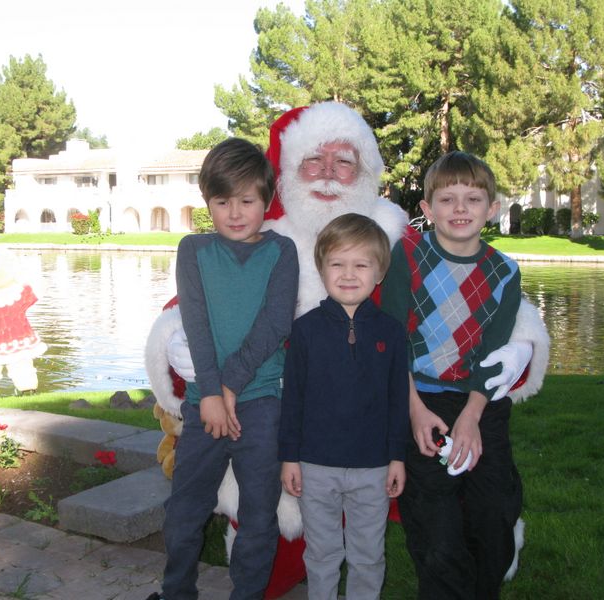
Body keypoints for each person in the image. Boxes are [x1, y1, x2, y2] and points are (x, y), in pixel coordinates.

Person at [145, 101, 549, 597]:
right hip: (281, 411)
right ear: (288, 171)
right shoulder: (263, 232)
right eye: (315, 160)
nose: (329, 175)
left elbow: (479, 287)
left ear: (366, 171)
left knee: (458, 506)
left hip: (374, 416)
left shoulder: (395, 234)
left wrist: (523, 343)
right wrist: (175, 337)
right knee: (270, 542)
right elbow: (193, 301)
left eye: (344, 161)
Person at [152, 138, 299, 600]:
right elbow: (195, 323)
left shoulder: (283, 251)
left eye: (247, 201)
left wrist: (228, 388)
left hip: (260, 405)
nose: (235, 212)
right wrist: (211, 394)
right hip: (203, 405)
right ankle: (177, 593)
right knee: (184, 510)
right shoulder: (193, 250)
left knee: (259, 514)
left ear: (267, 201)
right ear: (207, 203)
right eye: (222, 201)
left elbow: (275, 325)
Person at [380, 151, 527, 599]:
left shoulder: (504, 272)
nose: (460, 209)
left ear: (492, 209)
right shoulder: (407, 260)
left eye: (473, 198)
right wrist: (415, 412)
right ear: (426, 210)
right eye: (447, 199)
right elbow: (393, 343)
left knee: (496, 512)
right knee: (435, 528)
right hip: (419, 399)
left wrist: (472, 416)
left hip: (480, 402)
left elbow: (493, 349)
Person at [278, 213, 409, 600]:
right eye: (337, 263)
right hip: (317, 466)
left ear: (379, 272)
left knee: (368, 554)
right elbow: (293, 399)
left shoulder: (391, 332)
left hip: (373, 468)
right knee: (322, 553)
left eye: (360, 264)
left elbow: (397, 400)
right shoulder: (305, 331)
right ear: (321, 269)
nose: (348, 274)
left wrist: (397, 457)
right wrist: (289, 457)